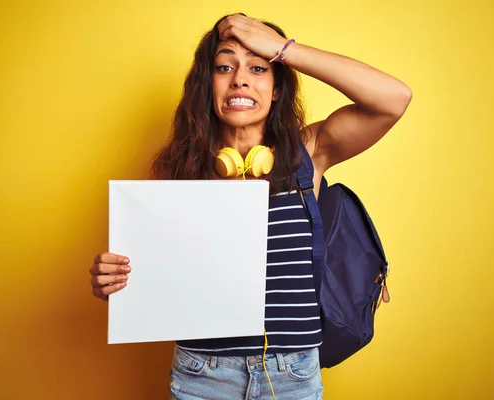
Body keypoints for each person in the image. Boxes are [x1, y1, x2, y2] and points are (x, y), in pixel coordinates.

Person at [89, 13, 411, 399]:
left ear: (277, 88)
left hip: (292, 374)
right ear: (207, 85)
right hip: (201, 374)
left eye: (258, 68)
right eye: (224, 67)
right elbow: (163, 279)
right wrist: (115, 282)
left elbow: (393, 99)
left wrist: (283, 49)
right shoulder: (184, 173)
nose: (240, 78)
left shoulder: (309, 152)